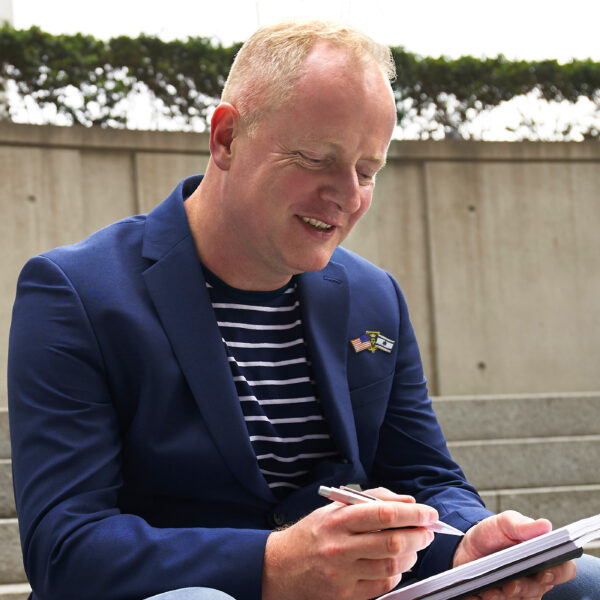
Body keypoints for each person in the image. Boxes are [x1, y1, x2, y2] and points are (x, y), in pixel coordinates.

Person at [7, 19, 599, 600]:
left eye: (368, 171)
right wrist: (272, 564)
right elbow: (66, 546)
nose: (348, 195)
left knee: (584, 583)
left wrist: (469, 542)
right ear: (226, 139)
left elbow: (426, 476)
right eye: (317, 159)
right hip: (195, 591)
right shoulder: (76, 292)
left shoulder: (374, 296)